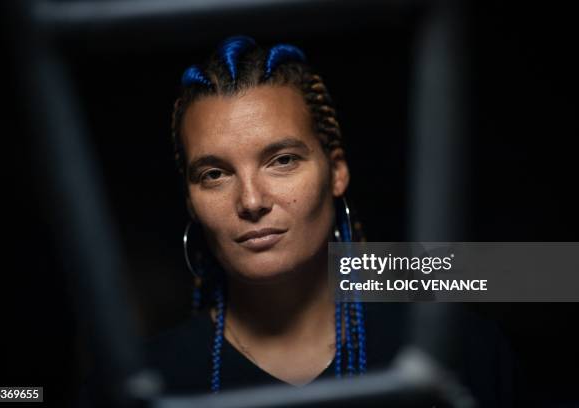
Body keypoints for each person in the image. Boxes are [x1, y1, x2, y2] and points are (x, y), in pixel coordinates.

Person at [81, 35, 513, 407]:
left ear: (337, 172)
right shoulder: (141, 382)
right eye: (214, 174)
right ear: (191, 201)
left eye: (282, 160)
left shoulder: (457, 349)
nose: (251, 201)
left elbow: (546, 273)